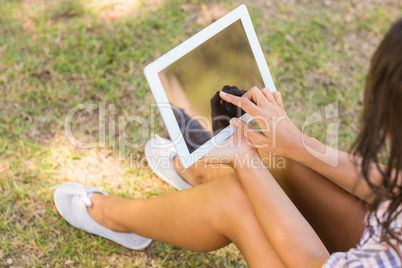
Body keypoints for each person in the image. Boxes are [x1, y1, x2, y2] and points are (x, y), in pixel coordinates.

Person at [52, 18, 402, 267]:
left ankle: (115, 217)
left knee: (238, 198)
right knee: (287, 163)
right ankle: (205, 172)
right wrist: (299, 144)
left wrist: (245, 161)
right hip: (378, 238)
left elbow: (312, 263)